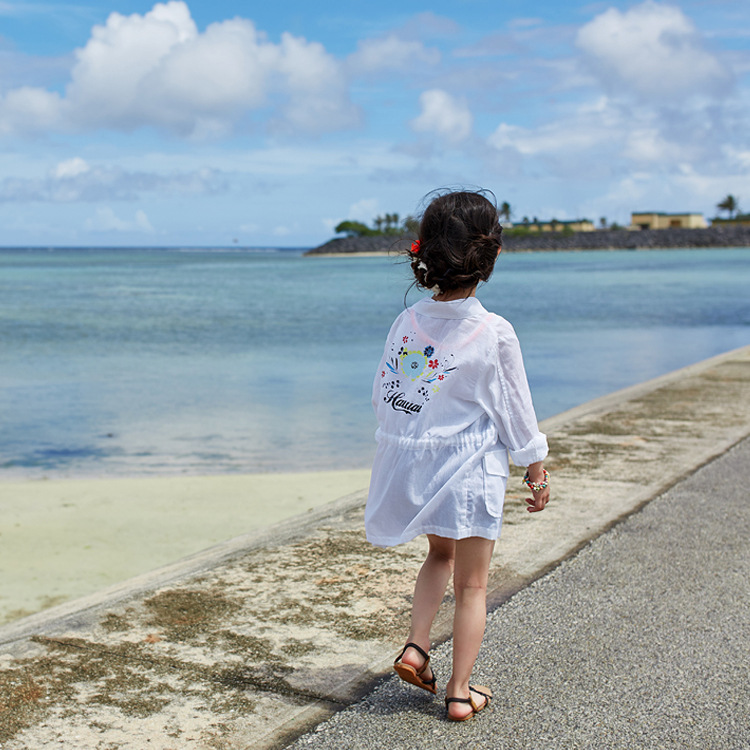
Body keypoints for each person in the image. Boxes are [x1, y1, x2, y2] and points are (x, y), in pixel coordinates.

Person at [365, 189, 550, 721]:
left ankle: (416, 647)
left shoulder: (406, 324)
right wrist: (535, 470)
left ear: (429, 256)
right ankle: (459, 692)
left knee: (437, 557)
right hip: (470, 472)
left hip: (419, 469)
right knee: (473, 585)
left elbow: (385, 398)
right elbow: (516, 410)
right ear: (489, 258)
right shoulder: (492, 331)